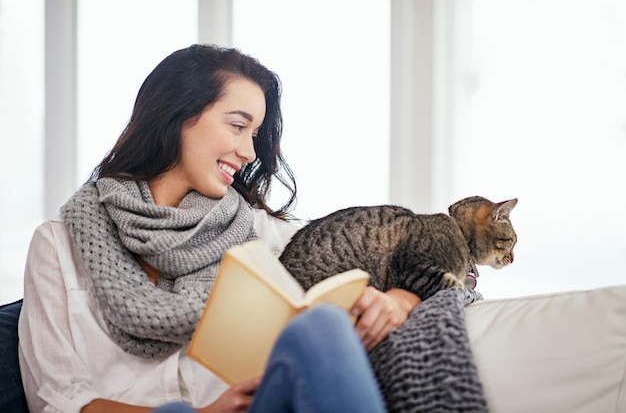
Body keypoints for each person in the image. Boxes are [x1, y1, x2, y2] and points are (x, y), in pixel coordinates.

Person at [18, 44, 421, 413]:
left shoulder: (257, 232)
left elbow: (444, 275)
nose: (248, 152)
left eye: (255, 135)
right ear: (176, 114)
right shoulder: (57, 244)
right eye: (237, 125)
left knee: (323, 326)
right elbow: (57, 400)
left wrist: (398, 302)